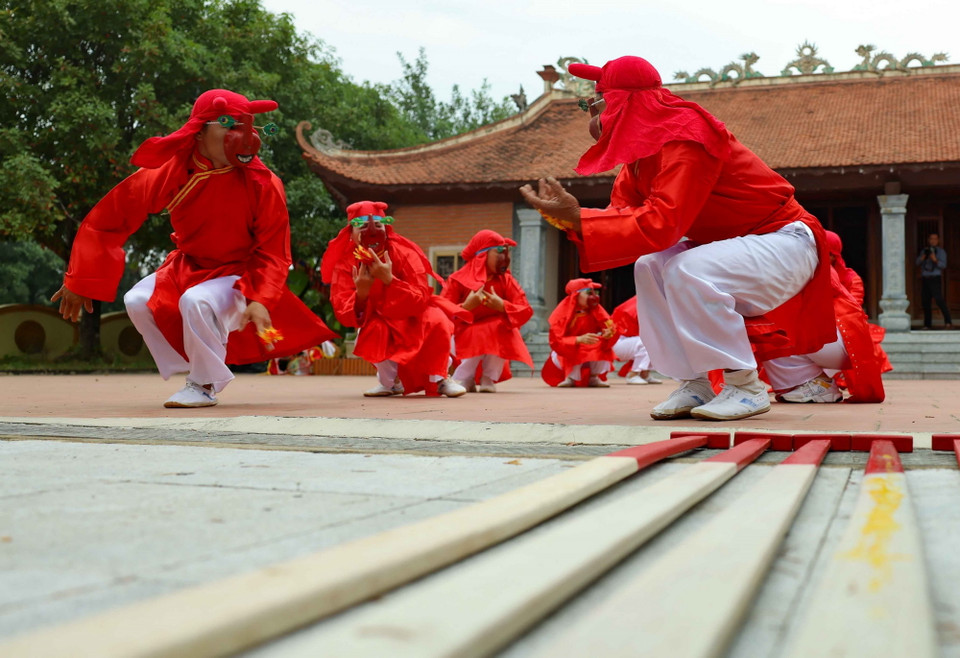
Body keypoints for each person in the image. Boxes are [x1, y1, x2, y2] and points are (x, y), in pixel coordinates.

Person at [520, 56, 836, 421]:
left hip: (784, 239)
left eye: (594, 104)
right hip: (742, 247)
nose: (590, 115)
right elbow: (623, 221)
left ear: (622, 101)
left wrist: (580, 218)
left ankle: (745, 387)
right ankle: (694, 383)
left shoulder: (686, 133)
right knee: (650, 266)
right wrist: (570, 222)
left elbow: (664, 221)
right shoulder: (638, 160)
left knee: (686, 268)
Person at [52, 89, 336, 408]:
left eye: (245, 125)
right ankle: (195, 360)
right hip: (188, 266)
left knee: (196, 301)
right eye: (228, 124)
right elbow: (110, 218)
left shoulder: (264, 182)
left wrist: (260, 299)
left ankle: (203, 384)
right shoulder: (172, 171)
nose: (242, 135)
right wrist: (80, 279)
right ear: (199, 131)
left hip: (240, 275)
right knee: (137, 301)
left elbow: (273, 251)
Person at [320, 200, 467, 398]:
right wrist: (361, 293)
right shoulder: (346, 264)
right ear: (351, 233)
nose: (371, 231)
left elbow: (420, 297)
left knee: (437, 320)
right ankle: (391, 382)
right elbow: (343, 311)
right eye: (362, 226)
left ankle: (440, 379)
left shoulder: (404, 253)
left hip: (413, 313)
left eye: (378, 225)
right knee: (371, 332)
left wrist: (390, 280)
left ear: (386, 228)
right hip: (378, 317)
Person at [440, 230, 534, 392]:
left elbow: (525, 309)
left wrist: (503, 306)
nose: (504, 258)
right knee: (478, 333)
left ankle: (488, 377)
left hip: (495, 333)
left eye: (505, 252)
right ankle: (464, 377)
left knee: (502, 328)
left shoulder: (506, 280)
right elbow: (442, 311)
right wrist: (465, 307)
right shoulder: (457, 280)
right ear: (482, 255)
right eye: (499, 252)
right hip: (462, 334)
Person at [541, 278, 618, 388]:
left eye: (595, 293)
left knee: (601, 344)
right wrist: (577, 340)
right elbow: (556, 341)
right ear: (576, 295)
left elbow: (610, 326)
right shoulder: (562, 313)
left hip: (590, 352)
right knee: (575, 347)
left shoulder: (596, 309)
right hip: (566, 353)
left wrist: (608, 334)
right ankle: (570, 377)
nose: (594, 296)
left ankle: (594, 377)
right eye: (589, 293)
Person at [610, 295, 661, 384]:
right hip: (616, 342)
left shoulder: (648, 301)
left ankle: (644, 374)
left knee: (655, 340)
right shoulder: (640, 303)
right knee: (647, 341)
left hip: (626, 341)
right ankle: (633, 375)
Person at [916, 233, 953, 329]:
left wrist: (935, 260)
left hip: (935, 278)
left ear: (938, 240)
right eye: (931, 239)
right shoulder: (924, 251)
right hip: (925, 278)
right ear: (928, 240)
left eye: (935, 239)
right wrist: (923, 257)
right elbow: (917, 262)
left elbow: (943, 265)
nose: (933, 241)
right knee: (925, 301)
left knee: (939, 300)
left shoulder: (941, 252)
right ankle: (927, 324)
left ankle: (948, 322)